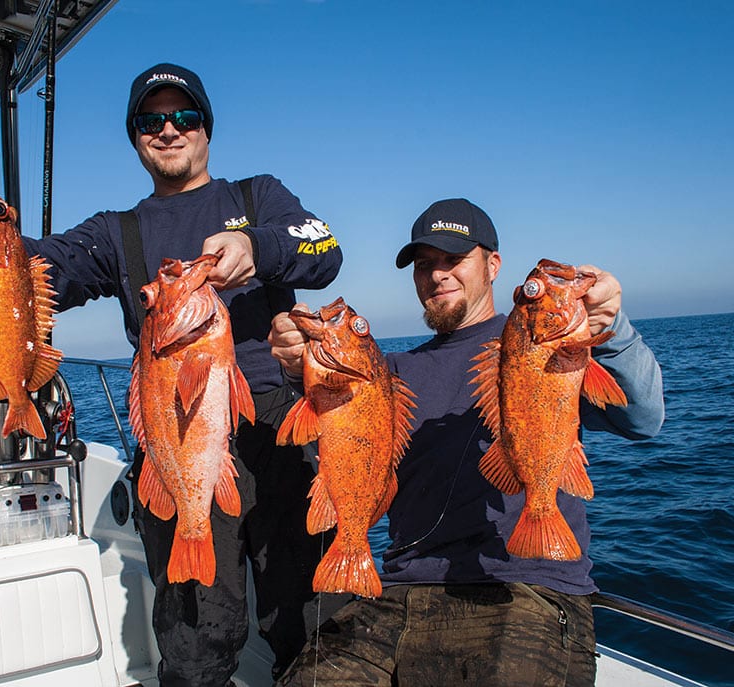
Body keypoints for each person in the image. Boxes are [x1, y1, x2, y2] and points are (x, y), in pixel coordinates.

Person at [0, 63, 345, 686]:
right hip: (176, 428)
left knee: (314, 621)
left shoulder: (258, 198)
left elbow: (323, 247)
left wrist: (258, 248)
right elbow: (34, 260)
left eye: (184, 116)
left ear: (207, 127)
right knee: (197, 639)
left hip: (275, 422)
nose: (169, 130)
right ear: (136, 136)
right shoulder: (117, 233)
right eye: (150, 120)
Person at [268, 198, 664, 686]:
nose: (436, 275)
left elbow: (643, 418)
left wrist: (611, 330)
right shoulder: (388, 373)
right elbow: (338, 436)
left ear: (493, 265)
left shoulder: (538, 344)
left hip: (523, 589)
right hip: (397, 593)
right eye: (424, 265)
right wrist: (296, 367)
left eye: (453, 260)